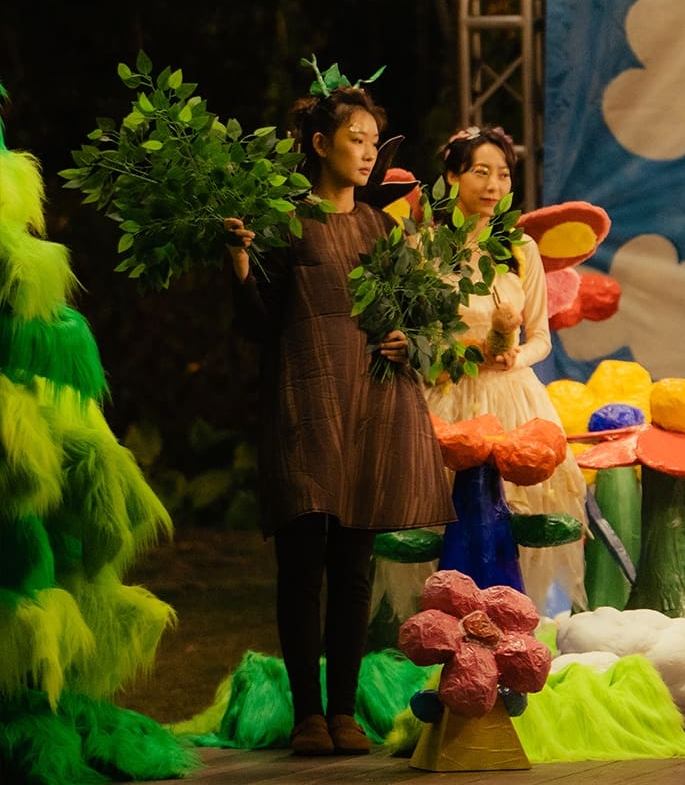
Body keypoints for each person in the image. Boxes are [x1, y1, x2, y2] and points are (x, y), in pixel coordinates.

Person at [226, 85, 455, 757]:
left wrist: (406, 340)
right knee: (303, 559)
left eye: (373, 141)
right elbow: (259, 324)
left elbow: (409, 316)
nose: (367, 152)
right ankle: (307, 714)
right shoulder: (285, 222)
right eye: (355, 139)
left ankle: (344, 711)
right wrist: (240, 263)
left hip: (368, 406)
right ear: (320, 144)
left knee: (354, 564)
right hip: (305, 399)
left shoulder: (383, 228)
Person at [423, 125, 586, 616]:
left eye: (503, 174)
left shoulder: (519, 248)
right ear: (452, 177)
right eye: (480, 172)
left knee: (516, 513)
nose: (493, 185)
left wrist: (516, 356)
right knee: (440, 518)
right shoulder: (426, 246)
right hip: (449, 395)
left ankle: (512, 622)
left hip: (511, 398)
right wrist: (458, 355)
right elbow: (416, 335)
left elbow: (541, 337)